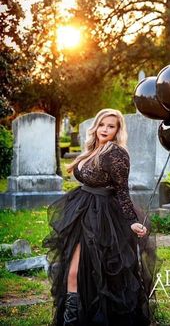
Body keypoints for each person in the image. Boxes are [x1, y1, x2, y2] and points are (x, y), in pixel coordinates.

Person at [43, 108, 156, 326]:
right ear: (96, 125)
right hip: (81, 210)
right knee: (73, 268)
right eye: (102, 124)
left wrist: (132, 221)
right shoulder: (95, 148)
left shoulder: (116, 154)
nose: (105, 129)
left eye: (111, 126)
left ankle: (90, 318)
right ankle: (73, 317)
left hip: (101, 215)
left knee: (99, 272)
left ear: (117, 130)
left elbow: (122, 191)